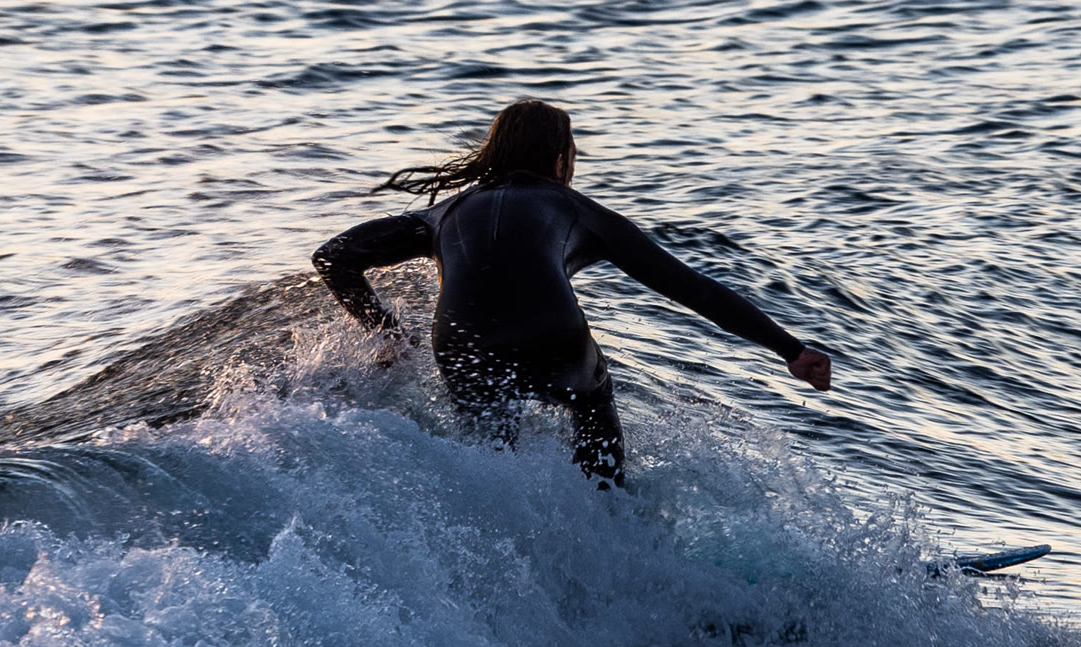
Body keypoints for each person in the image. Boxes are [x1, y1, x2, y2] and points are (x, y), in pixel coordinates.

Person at [313, 99, 832, 488]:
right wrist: (790, 349)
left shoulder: (441, 213)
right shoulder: (581, 212)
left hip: (463, 341)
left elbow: (333, 256)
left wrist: (386, 331)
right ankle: (607, 510)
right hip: (551, 336)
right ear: (561, 160)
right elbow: (692, 289)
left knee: (492, 456)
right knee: (592, 399)